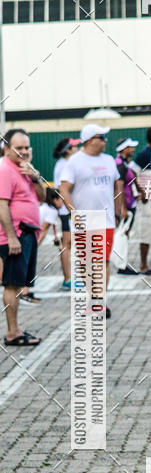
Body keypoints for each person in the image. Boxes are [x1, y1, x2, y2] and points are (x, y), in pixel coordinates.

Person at [59, 123, 125, 319]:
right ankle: (93, 298)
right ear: (89, 140)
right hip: (84, 221)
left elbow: (116, 186)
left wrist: (118, 210)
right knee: (88, 264)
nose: (105, 141)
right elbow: (64, 189)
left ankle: (99, 302)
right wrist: (74, 213)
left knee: (102, 261)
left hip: (105, 221)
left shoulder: (109, 160)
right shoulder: (75, 162)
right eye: (101, 137)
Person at [0, 128, 46, 345]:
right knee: (12, 284)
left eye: (27, 147)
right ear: (7, 149)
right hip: (16, 235)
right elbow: (2, 205)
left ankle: (16, 329)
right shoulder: (5, 170)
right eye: (19, 148)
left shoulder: (25, 170)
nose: (24, 152)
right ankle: (13, 333)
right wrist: (11, 236)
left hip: (27, 233)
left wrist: (36, 177)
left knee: (18, 284)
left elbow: (42, 199)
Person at [52, 136, 80, 290]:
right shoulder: (64, 165)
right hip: (66, 211)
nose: (77, 148)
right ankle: (68, 279)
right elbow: (61, 189)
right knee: (67, 245)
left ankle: (70, 277)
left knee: (69, 244)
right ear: (68, 150)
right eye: (74, 147)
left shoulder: (65, 164)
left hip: (68, 210)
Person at [132, 126, 151, 274]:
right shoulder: (145, 154)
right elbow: (131, 172)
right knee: (146, 232)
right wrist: (140, 191)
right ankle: (143, 265)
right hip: (147, 200)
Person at [115, 138, 140, 275]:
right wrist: (122, 208)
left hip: (130, 203)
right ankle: (121, 265)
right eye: (130, 147)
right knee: (123, 234)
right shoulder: (120, 165)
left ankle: (122, 262)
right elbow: (119, 188)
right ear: (124, 149)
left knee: (125, 234)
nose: (133, 149)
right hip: (126, 206)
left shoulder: (124, 164)